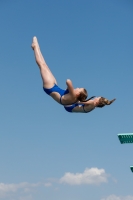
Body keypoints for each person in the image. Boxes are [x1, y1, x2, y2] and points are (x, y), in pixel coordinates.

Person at [32, 36, 88, 105]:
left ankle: (35, 47)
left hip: (50, 87)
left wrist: (71, 89)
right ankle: (37, 48)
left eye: (79, 89)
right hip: (54, 87)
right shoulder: (75, 99)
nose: (77, 88)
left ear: (78, 94)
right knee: (44, 65)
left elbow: (68, 81)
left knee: (42, 65)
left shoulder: (73, 95)